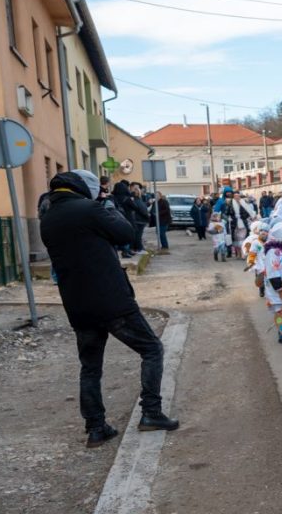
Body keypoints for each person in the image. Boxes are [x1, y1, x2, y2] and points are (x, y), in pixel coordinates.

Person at [39, 170, 180, 447]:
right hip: (112, 301)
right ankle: (151, 412)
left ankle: (96, 427)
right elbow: (126, 233)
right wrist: (108, 205)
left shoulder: (48, 217)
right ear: (86, 187)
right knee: (152, 349)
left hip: (77, 304)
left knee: (90, 367)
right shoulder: (90, 209)